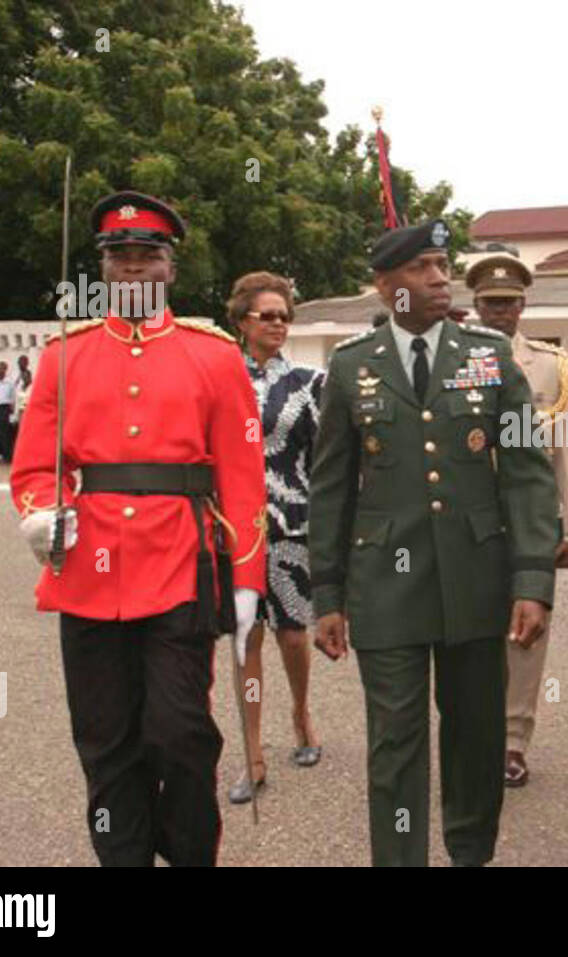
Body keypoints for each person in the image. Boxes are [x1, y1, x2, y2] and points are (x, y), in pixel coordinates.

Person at [9, 190, 266, 866]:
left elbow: (241, 478)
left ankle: (188, 855)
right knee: (105, 739)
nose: (131, 268)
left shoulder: (213, 355)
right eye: (118, 257)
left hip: (180, 563)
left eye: (146, 255)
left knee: (180, 731)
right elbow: (37, 464)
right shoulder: (63, 356)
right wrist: (40, 512)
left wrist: (247, 582)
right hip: (86, 567)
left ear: (169, 269)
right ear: (102, 271)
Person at [308, 219, 559, 867]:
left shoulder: (488, 354)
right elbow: (331, 488)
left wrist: (533, 578)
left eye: (443, 264)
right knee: (395, 739)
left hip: (477, 576)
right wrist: (327, 594)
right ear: (385, 285)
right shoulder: (349, 367)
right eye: (421, 268)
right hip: (383, 587)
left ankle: (470, 853)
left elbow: (528, 473)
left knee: (476, 735)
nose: (439, 278)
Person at [466, 253, 568, 788]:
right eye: (490, 303)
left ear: (524, 304)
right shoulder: (455, 358)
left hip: (531, 519)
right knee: (470, 630)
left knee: (526, 631)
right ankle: (473, 736)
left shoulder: (550, 365)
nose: (500, 313)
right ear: (475, 305)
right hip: (467, 518)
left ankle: (513, 741)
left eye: (509, 302)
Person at [224, 270, 325, 804]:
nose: (279, 324)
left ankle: (302, 712)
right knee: (246, 639)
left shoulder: (311, 383)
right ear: (242, 321)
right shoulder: (218, 379)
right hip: (235, 531)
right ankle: (254, 752)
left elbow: (327, 461)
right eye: (268, 315)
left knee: (291, 634)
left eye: (285, 315)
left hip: (293, 528)